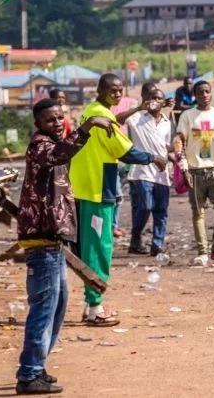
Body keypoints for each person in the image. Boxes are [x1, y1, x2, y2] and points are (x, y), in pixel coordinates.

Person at [16, 98, 112, 395]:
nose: (57, 123)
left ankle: (38, 366)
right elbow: (60, 153)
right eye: (50, 120)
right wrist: (88, 127)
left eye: (60, 118)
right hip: (42, 238)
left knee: (58, 305)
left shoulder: (54, 141)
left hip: (54, 239)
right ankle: (29, 373)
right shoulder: (41, 145)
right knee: (44, 308)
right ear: (38, 125)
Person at [68, 74, 165, 326]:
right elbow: (126, 151)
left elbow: (116, 123)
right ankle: (95, 309)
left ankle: (91, 305)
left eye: (121, 90)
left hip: (86, 186)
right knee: (99, 248)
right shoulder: (102, 116)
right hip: (97, 189)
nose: (118, 94)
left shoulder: (93, 110)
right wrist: (155, 158)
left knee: (90, 247)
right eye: (112, 90)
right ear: (100, 89)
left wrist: (136, 109)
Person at [175, 80, 214, 267]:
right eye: (200, 92)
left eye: (207, 91)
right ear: (195, 95)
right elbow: (179, 141)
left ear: (211, 93)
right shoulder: (187, 116)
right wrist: (183, 167)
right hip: (196, 170)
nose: (204, 95)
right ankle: (203, 251)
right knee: (198, 212)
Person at [124, 84, 174, 255]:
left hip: (162, 172)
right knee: (146, 206)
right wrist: (139, 107)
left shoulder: (167, 123)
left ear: (163, 102)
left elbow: (166, 146)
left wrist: (176, 157)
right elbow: (118, 120)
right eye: (152, 98)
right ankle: (136, 235)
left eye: (159, 98)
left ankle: (157, 244)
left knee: (161, 210)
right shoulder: (137, 118)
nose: (155, 101)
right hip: (142, 171)